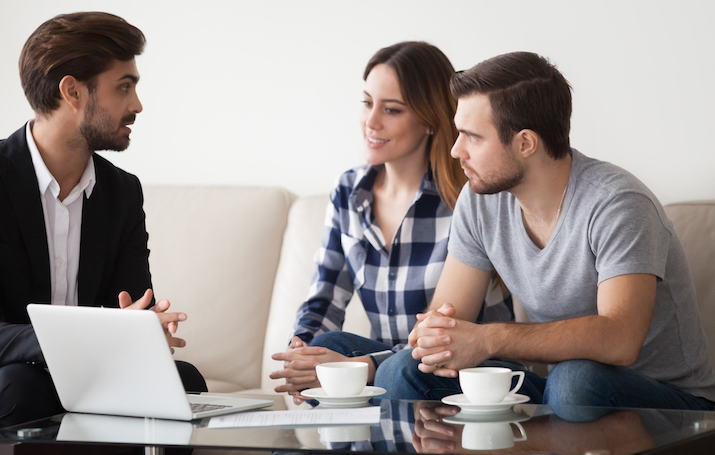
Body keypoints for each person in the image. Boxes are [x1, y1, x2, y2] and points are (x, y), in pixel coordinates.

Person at [0, 12, 206, 454]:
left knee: (185, 382)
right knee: (18, 389)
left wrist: (144, 330)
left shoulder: (121, 192)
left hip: (79, 381)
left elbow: (129, 308)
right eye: (123, 86)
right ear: (72, 92)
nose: (138, 105)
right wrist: (92, 336)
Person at [403, 51, 715, 409]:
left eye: (472, 137)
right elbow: (449, 318)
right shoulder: (480, 200)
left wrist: (488, 340)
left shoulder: (619, 203)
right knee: (404, 371)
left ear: (525, 143)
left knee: (574, 382)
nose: (457, 151)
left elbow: (620, 340)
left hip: (671, 403)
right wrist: (434, 339)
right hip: (565, 396)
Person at [269, 42, 513, 400]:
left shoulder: (469, 199)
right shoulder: (350, 191)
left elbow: (446, 337)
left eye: (392, 109)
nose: (372, 122)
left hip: (462, 370)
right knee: (325, 344)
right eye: (367, 103)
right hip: (393, 368)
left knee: (401, 370)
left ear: (429, 119)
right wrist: (301, 352)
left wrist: (366, 366)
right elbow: (324, 298)